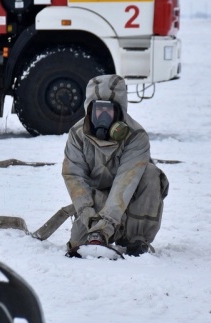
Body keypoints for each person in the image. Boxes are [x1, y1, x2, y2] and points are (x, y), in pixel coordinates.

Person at [62, 74, 169, 258]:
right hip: (95, 202)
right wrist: (88, 216)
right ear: (89, 111)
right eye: (98, 111)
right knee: (77, 243)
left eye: (108, 111)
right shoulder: (77, 135)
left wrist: (107, 224)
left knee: (151, 174)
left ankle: (137, 240)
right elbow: (74, 177)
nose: (102, 117)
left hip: (129, 202)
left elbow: (125, 182)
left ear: (120, 112)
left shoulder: (136, 136)